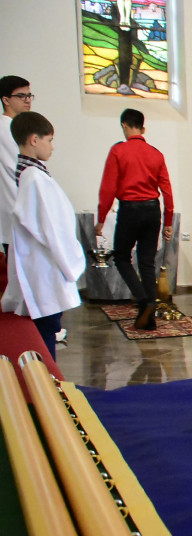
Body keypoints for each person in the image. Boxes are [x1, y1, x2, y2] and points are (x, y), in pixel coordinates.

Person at [0, 112, 85, 359]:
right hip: (46, 269)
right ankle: (52, 386)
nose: (52, 146)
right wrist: (73, 264)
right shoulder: (35, 178)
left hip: (42, 268)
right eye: (49, 140)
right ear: (34, 140)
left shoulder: (30, 175)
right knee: (47, 328)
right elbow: (53, 229)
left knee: (47, 327)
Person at [96, 108, 174, 331]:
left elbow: (108, 187)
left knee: (121, 257)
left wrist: (101, 218)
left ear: (124, 125)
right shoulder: (156, 153)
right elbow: (167, 190)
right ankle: (148, 318)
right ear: (143, 128)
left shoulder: (118, 151)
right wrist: (168, 221)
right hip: (152, 210)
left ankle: (143, 300)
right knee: (147, 261)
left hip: (130, 210)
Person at [1, 75, 33, 257]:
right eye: (21, 96)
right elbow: (21, 170)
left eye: (29, 96)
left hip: (22, 210)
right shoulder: (5, 128)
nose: (27, 101)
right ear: (6, 100)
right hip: (16, 209)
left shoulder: (19, 127)